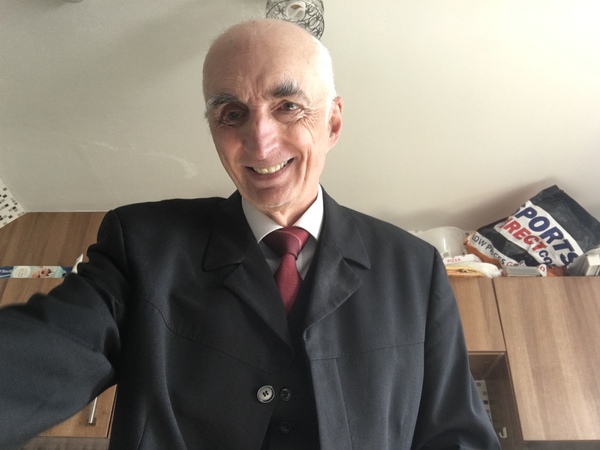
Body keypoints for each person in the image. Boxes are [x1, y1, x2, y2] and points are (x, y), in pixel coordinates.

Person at [0, 18, 500, 450]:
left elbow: (455, 435)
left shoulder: (413, 267)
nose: (260, 143)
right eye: (232, 114)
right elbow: (49, 351)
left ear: (332, 123)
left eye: (288, 106)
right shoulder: (142, 244)